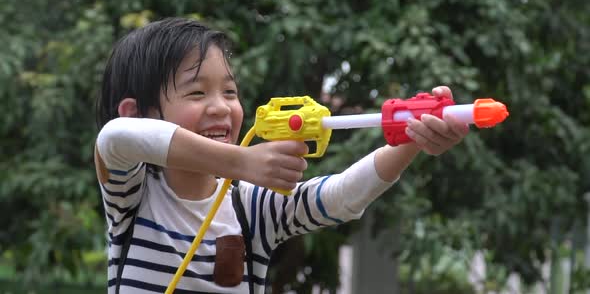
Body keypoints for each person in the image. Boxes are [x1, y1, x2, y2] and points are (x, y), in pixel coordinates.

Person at [94, 17, 469, 294]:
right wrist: (242, 163)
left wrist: (412, 139)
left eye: (229, 91)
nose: (222, 108)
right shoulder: (134, 196)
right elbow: (116, 137)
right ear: (136, 111)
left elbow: (340, 197)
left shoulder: (249, 206)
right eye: (196, 93)